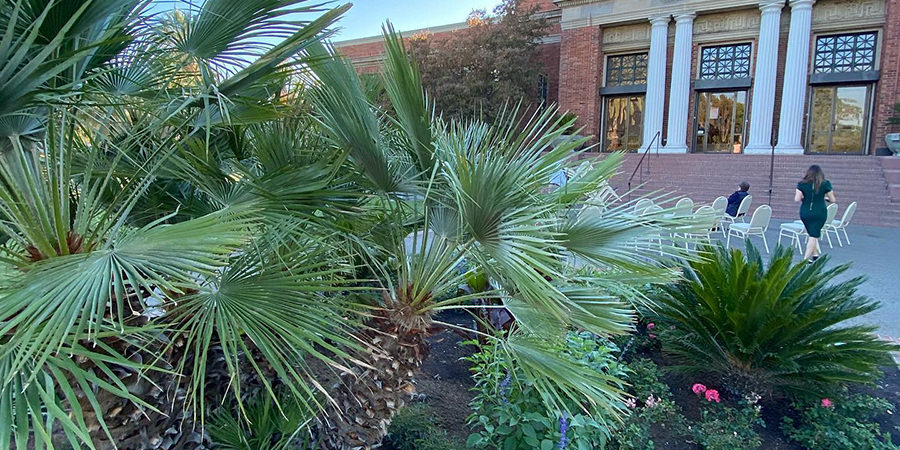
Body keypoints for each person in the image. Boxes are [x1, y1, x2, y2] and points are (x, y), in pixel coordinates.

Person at [795, 165, 836, 262]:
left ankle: (815, 254)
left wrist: (806, 198)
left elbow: (797, 199)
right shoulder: (825, 184)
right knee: (813, 235)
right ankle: (805, 260)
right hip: (819, 212)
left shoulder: (801, 184)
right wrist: (824, 198)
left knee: (812, 233)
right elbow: (833, 200)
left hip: (805, 212)